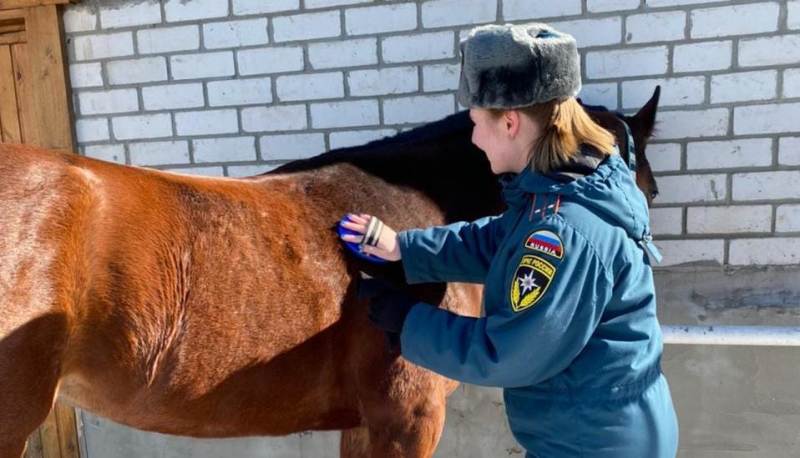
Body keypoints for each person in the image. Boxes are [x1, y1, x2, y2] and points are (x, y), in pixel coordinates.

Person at [340, 22, 678, 457]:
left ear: (511, 123)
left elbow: (508, 353)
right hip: (593, 429)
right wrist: (403, 249)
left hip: (596, 446)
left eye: (478, 123)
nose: (475, 138)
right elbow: (497, 240)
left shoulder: (564, 232)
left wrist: (408, 323)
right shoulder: (564, 184)